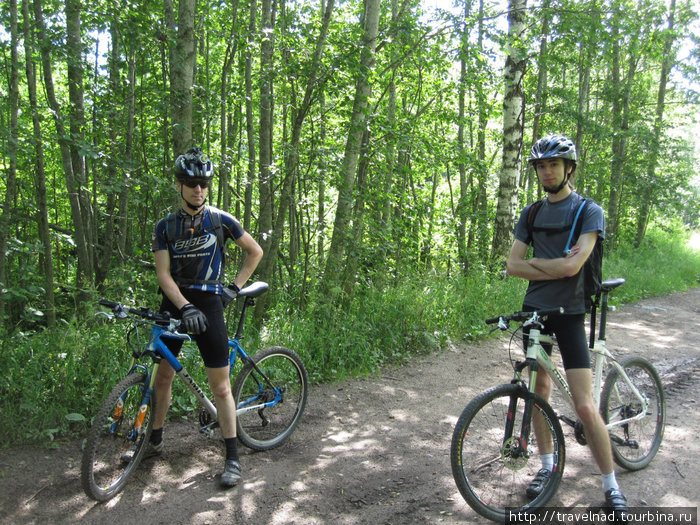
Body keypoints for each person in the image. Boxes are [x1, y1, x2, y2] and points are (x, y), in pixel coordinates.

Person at [506, 135, 629, 520]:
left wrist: (543, 265)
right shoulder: (530, 214)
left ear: (569, 168)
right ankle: (547, 466)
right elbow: (512, 265)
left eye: (554, 165)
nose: (546, 171)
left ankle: (611, 485)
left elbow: (572, 268)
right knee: (539, 391)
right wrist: (554, 263)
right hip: (536, 310)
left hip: (572, 311)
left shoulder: (588, 211)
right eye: (541, 166)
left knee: (583, 404)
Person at [146, 147, 263, 487]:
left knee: (221, 386)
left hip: (211, 301)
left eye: (204, 184)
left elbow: (254, 252)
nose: (199, 190)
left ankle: (232, 457)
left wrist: (233, 288)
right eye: (192, 183)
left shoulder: (221, 220)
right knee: (162, 377)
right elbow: (164, 276)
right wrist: (184, 306)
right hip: (176, 301)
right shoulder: (165, 226)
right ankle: (153, 441)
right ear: (180, 186)